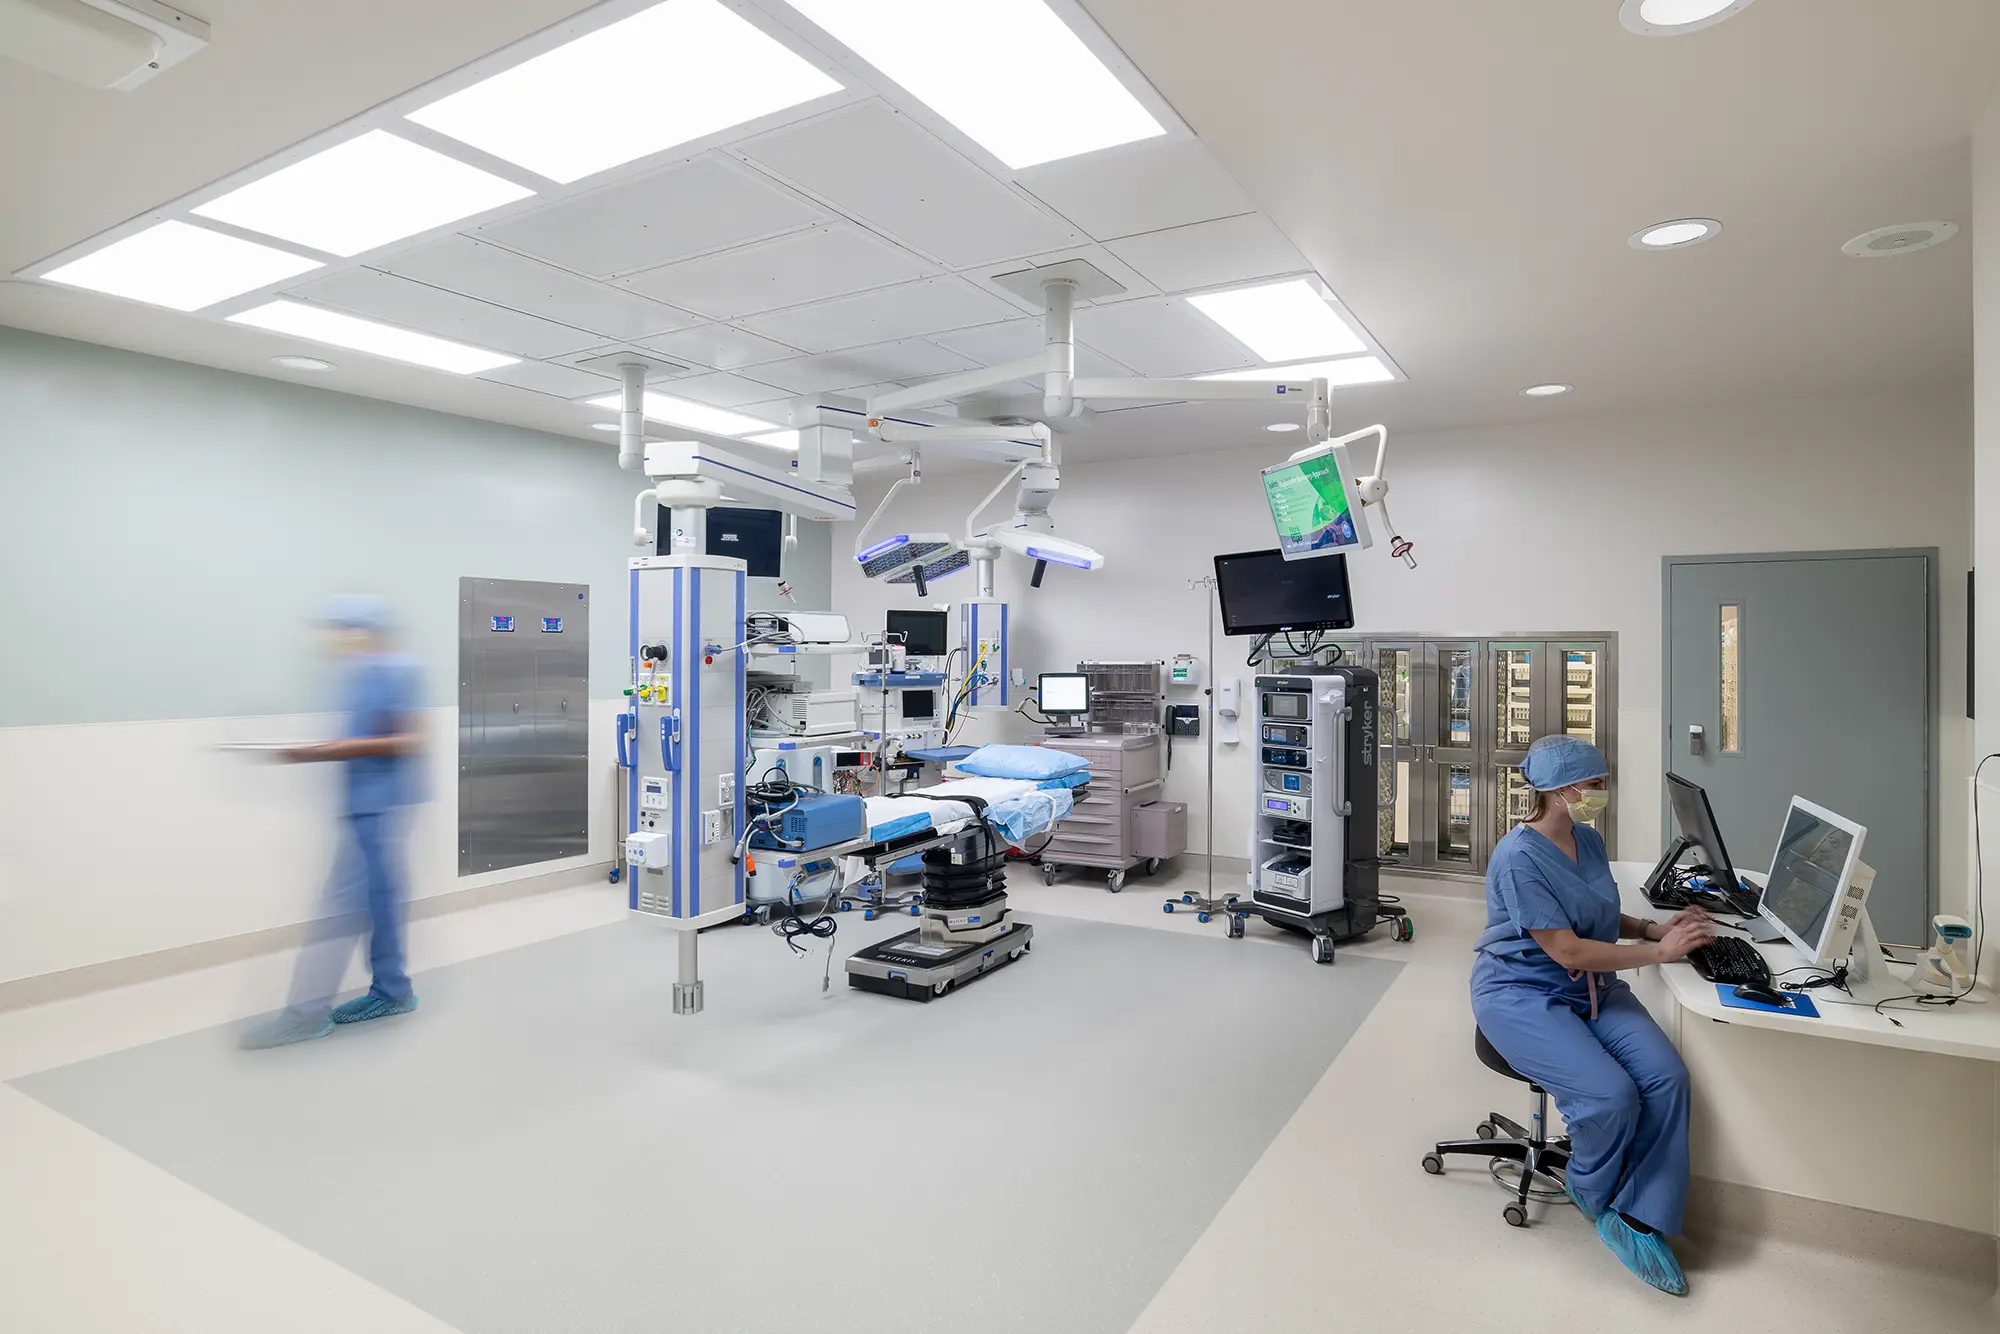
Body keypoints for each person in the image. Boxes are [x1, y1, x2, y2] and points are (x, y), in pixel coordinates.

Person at [1471, 735, 1716, 1296]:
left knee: (1666, 1079)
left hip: (1591, 986)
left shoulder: (1587, 839)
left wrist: (1654, 929)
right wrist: (1658, 955)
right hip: (1522, 991)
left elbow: (1599, 913)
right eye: (1593, 784)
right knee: (1609, 1096)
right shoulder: (1519, 856)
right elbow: (1567, 949)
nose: (1601, 792)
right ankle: (1589, 1187)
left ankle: (1641, 1211)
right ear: (1560, 791)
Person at [241, 596, 426, 1049]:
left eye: (343, 631)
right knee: (381, 905)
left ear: (363, 631)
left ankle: (305, 1015)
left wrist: (327, 750)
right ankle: (394, 990)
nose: (335, 641)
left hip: (380, 809)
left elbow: (411, 738)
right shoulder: (358, 675)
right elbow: (359, 738)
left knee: (338, 909)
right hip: (367, 808)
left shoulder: (400, 669)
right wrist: (326, 749)